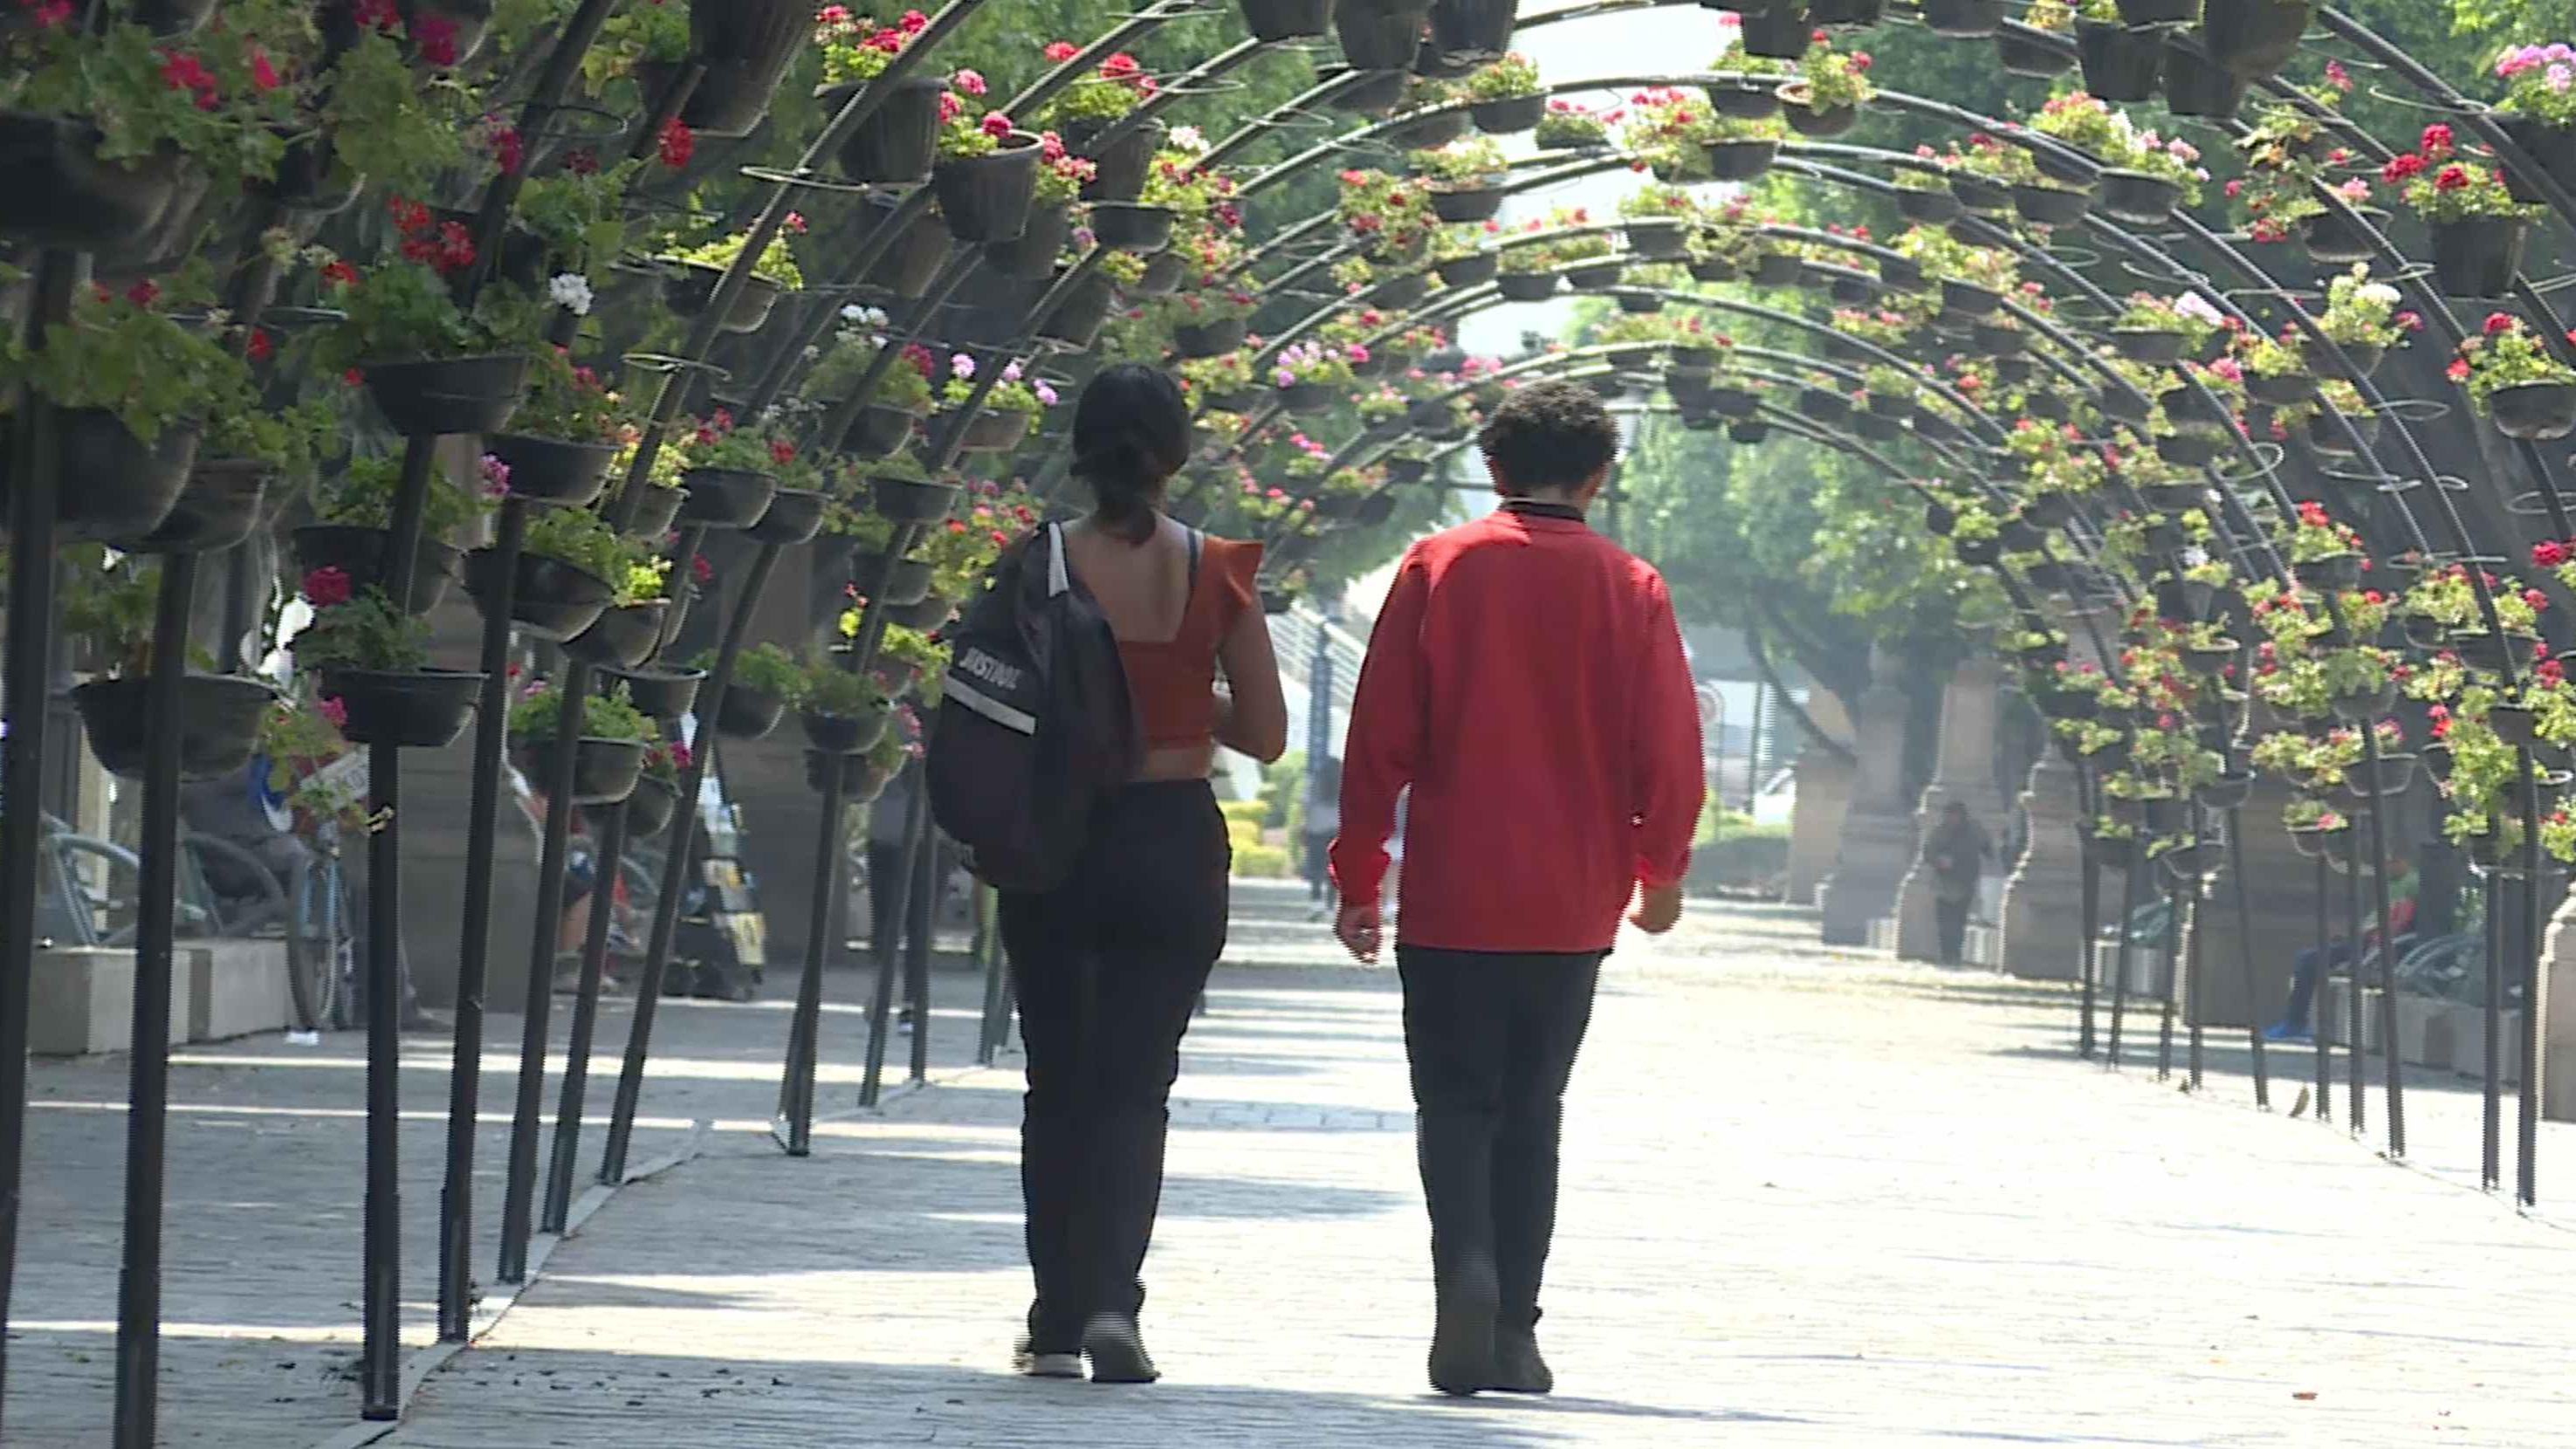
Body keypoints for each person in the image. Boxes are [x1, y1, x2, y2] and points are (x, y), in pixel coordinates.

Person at [1329, 379, 1706, 1397]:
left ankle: (1465, 1277)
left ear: (1492, 468)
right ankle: (1515, 1327)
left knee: (1451, 1104)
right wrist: (1658, 869)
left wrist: (1359, 872)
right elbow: (1667, 748)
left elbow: (1379, 737)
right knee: (1532, 1109)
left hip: (1452, 895)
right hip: (1569, 901)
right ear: (1598, 476)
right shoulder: (1631, 587)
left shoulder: (1439, 567)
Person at [994, 363, 1288, 1384]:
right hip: (1169, 840)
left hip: (1055, 841)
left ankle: (1055, 1314)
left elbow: (993, 700)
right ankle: (1115, 1299)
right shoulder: (1217, 572)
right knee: (1134, 1086)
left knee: (1056, 1080)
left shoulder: (1037, 565)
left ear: (1081, 449)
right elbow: (1265, 732)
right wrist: (1180, 692)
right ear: (1176, 456)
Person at [2267, 864, 2417, 1040]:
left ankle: (2295, 1023)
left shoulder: (2412, 883)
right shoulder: (2393, 882)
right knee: (2307, 957)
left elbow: (2398, 923)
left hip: (2374, 945)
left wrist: (2368, 934)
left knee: (2308, 961)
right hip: (2365, 940)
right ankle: (2294, 1021)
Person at [1925, 800, 1991, 965]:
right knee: (1944, 923)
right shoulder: (1940, 832)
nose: (1952, 819)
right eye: (1950, 815)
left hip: (1964, 882)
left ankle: (1955, 955)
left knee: (1959, 922)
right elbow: (1928, 853)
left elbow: (1987, 848)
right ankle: (1946, 955)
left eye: (1955, 815)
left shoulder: (1973, 831)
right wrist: (1939, 861)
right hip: (1944, 883)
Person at [1302, 758, 1341, 917]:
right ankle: (1331, 905)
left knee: (1316, 867)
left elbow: (1305, 804)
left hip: (1316, 828)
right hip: (1337, 829)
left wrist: (1304, 825)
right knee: (1334, 868)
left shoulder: (1314, 784)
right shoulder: (1344, 784)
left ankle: (1316, 901)